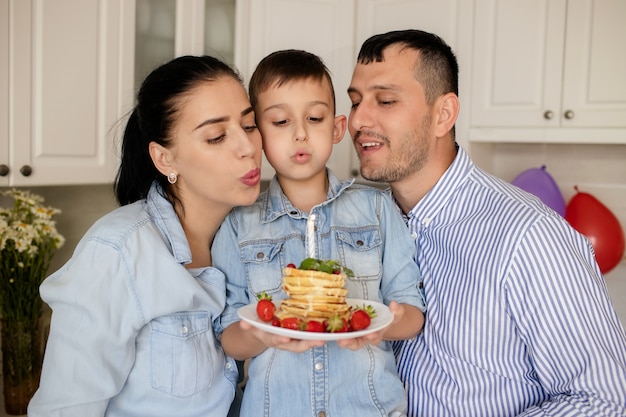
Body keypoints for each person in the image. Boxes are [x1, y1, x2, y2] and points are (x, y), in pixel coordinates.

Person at [347, 29, 626, 416]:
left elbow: (605, 400)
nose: (358, 119)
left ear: (443, 114)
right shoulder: (353, 223)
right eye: (356, 101)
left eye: (386, 100)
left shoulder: (530, 236)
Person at [28, 55, 262, 417]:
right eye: (216, 137)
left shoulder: (256, 240)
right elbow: (65, 409)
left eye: (249, 125)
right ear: (165, 159)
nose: (247, 147)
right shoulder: (118, 251)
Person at [211, 49, 426, 417]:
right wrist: (261, 334)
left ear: (337, 128)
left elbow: (411, 309)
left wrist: (383, 326)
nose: (299, 134)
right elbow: (229, 336)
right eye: (280, 121)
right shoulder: (238, 223)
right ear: (257, 136)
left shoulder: (377, 209)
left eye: (314, 117)